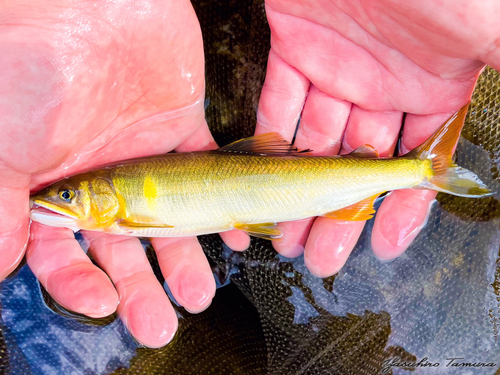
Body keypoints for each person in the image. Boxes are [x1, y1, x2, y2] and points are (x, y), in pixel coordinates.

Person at [0, 0, 497, 348]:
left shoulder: (121, 212)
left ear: (99, 194)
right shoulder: (114, 206)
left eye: (67, 197)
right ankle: (417, 171)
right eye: (66, 197)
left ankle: (418, 171)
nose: (55, 203)